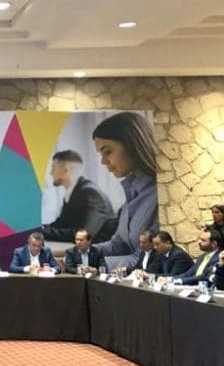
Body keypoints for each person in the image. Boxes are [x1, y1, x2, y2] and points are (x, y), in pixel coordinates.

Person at [91, 112, 159, 263]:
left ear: (132, 145)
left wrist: (80, 264)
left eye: (107, 152)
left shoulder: (161, 195)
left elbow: (145, 260)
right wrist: (73, 254)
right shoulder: (132, 191)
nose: (103, 161)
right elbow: (118, 245)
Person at [41, 150, 115, 242]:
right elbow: (60, 224)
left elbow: (83, 235)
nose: (51, 173)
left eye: (53, 167)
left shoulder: (90, 194)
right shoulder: (74, 193)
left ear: (65, 170)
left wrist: (41, 232)